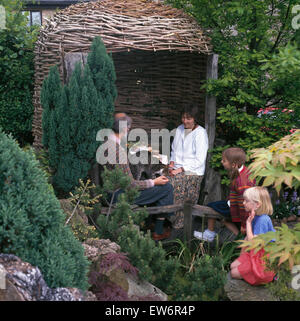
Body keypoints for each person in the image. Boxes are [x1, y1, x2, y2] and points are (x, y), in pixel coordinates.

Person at [100, 113, 174, 241]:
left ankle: (150, 223)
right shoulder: (118, 150)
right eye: (129, 128)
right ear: (125, 129)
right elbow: (131, 185)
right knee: (166, 187)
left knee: (155, 185)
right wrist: (154, 182)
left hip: (109, 192)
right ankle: (158, 230)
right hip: (118, 196)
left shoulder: (107, 143)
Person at [194, 147, 255, 242]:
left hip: (240, 208)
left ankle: (209, 234)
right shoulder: (243, 171)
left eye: (224, 160)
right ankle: (241, 239)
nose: (222, 162)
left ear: (234, 165)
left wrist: (244, 224)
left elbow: (243, 204)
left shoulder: (242, 181)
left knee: (211, 207)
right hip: (236, 204)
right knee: (224, 220)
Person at [167, 105, 209, 229]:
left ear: (195, 119)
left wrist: (180, 170)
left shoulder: (200, 133)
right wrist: (171, 165)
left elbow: (200, 160)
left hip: (193, 171)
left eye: (188, 118)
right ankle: (166, 218)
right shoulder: (180, 129)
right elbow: (174, 150)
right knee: (160, 180)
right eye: (183, 118)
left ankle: (180, 222)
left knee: (174, 184)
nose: (185, 121)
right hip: (177, 168)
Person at [230, 186, 276, 285]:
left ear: (257, 204)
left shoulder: (263, 220)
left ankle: (260, 276)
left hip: (263, 260)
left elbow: (252, 243)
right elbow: (247, 238)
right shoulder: (256, 216)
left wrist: (248, 224)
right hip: (256, 253)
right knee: (233, 266)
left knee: (234, 273)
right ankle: (248, 271)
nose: (243, 203)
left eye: (246, 201)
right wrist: (242, 257)